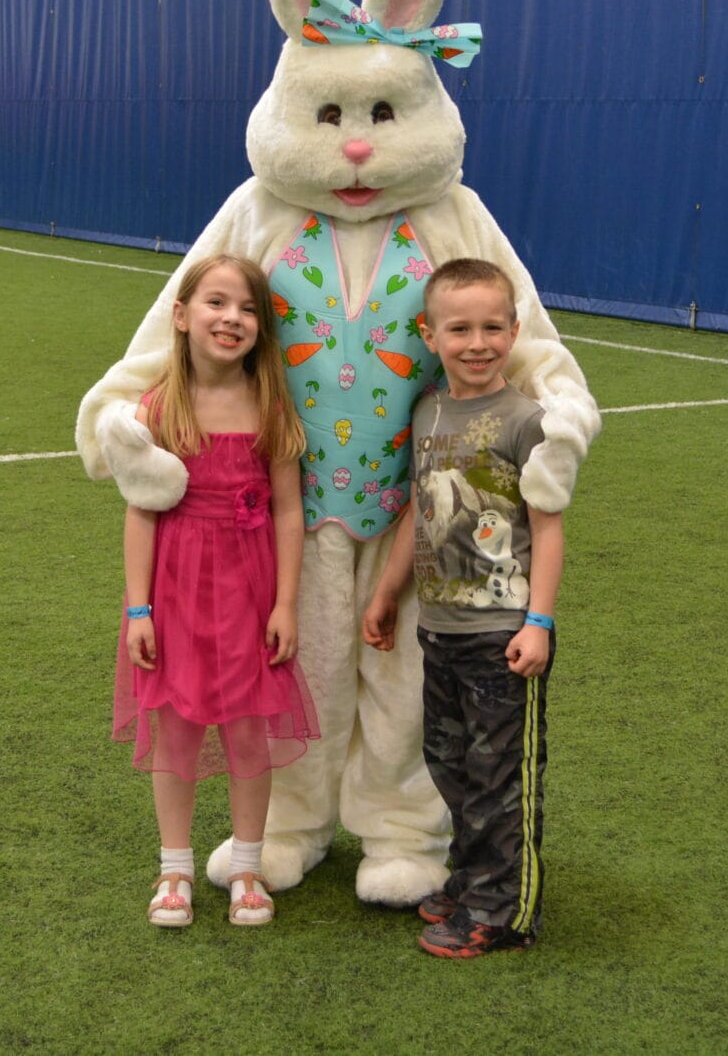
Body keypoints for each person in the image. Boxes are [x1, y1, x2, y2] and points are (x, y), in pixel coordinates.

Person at [362, 257, 565, 958]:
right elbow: (420, 510)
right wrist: (388, 593)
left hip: (504, 636)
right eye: (459, 328)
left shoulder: (527, 421)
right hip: (439, 629)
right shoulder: (428, 410)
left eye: (491, 327)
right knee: (450, 764)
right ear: (430, 333)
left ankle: (505, 911)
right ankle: (474, 878)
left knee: (500, 779)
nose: (477, 343)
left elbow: (548, 526)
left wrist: (537, 622)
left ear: (514, 331)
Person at [113, 253, 319, 927]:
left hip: (249, 592)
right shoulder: (159, 405)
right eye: (217, 303)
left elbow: (289, 510)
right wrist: (137, 607)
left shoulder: (270, 405)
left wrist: (285, 602)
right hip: (174, 594)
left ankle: (248, 868)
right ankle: (173, 870)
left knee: (247, 732)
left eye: (249, 308)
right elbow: (141, 511)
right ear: (181, 315)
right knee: (174, 730)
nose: (232, 318)